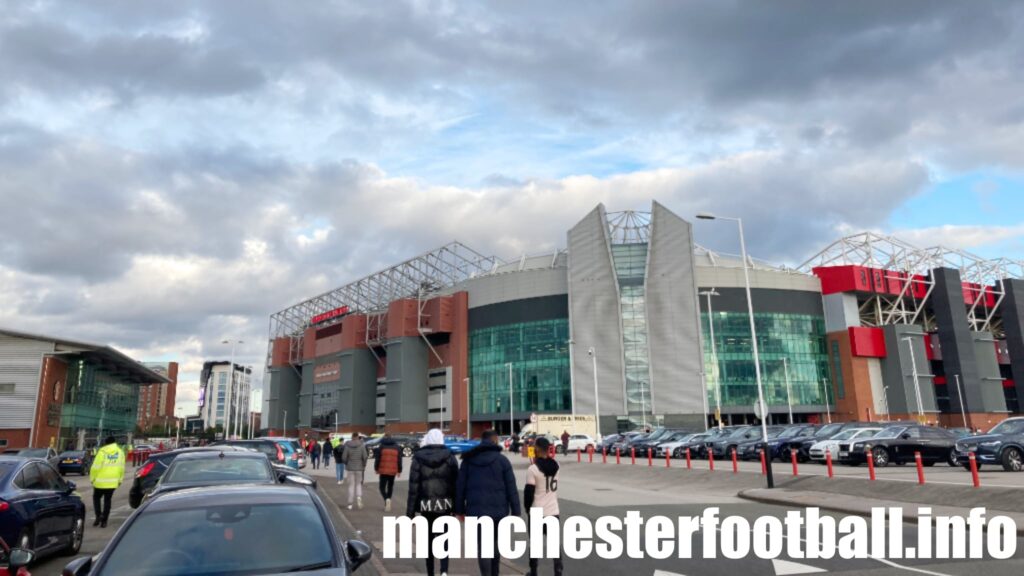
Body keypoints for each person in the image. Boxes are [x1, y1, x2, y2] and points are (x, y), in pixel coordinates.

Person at [456, 430, 521, 576]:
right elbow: (511, 487)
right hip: (499, 512)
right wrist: (516, 511)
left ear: (482, 441)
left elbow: (460, 487)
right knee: (496, 544)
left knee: (482, 546)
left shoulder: (468, 460)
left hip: (476, 512)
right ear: (494, 441)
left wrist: (459, 510)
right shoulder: (502, 460)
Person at [407, 429, 458, 576]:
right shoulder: (450, 457)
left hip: (426, 507)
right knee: (444, 538)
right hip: (445, 507)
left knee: (427, 541)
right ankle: (444, 570)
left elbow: (413, 486)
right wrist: (458, 506)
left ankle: (431, 572)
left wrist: (410, 513)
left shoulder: (418, 458)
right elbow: (456, 483)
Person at [525, 437, 562, 576]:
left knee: (535, 544)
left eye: (535, 446)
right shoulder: (557, 466)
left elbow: (529, 493)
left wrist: (527, 509)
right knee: (554, 545)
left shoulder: (533, 469)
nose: (533, 448)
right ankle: (558, 571)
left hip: (537, 511)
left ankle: (534, 571)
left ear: (538, 449)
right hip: (553, 510)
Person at [89, 436, 125, 528]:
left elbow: (95, 466)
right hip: (112, 482)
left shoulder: (102, 451)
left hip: (100, 482)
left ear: (106, 443)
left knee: (96, 498)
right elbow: (122, 468)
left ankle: (98, 516)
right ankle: (104, 521)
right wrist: (120, 480)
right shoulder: (120, 452)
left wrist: (92, 478)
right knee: (107, 501)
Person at [374, 433, 403, 512]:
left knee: (382, 487)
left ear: (385, 438)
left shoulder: (381, 446)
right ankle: (388, 500)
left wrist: (376, 468)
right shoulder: (397, 447)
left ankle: (386, 499)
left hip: (383, 471)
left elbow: (378, 459)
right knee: (390, 487)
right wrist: (399, 470)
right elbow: (399, 460)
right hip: (393, 471)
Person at [342, 433, 368, 510]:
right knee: (358, 484)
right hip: (359, 468)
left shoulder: (347, 446)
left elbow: (343, 457)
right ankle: (359, 497)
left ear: (352, 437)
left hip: (350, 468)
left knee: (351, 486)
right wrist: (364, 465)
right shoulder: (362, 445)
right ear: (358, 437)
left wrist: (347, 463)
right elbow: (365, 457)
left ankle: (350, 504)